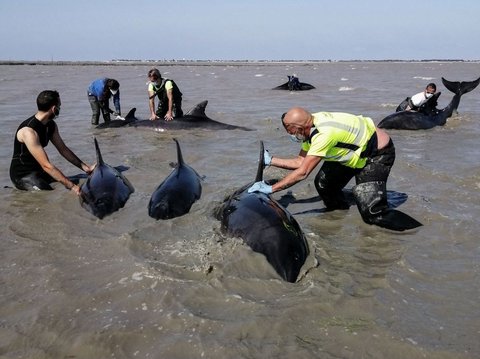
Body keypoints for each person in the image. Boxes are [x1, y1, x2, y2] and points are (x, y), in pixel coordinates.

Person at [248, 107, 422, 231]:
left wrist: (271, 189)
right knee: (324, 184)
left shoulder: (324, 135)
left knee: (372, 214)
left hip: (375, 154)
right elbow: (301, 161)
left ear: (300, 127)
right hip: (350, 152)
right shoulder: (310, 124)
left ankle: (417, 229)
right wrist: (271, 160)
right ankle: (338, 212)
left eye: (291, 131)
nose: (290, 135)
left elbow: (303, 172)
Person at [10, 90, 95, 196]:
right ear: (54, 109)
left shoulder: (51, 125)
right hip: (23, 175)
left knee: (78, 179)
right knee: (47, 194)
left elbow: (63, 149)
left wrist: (85, 167)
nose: (60, 109)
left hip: (39, 171)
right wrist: (73, 187)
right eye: (59, 106)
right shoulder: (29, 131)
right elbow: (46, 165)